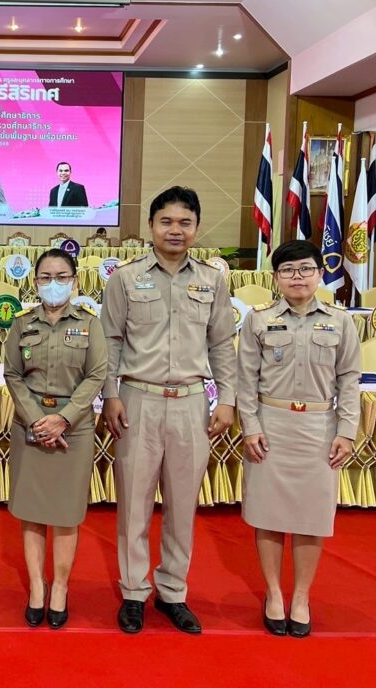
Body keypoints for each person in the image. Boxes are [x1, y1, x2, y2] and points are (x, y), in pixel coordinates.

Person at [100, 185, 236, 635]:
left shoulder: (212, 280)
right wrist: (111, 394)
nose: (175, 230)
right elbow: (110, 340)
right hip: (137, 400)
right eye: (166, 222)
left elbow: (222, 343)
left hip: (192, 403)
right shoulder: (125, 278)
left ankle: (173, 591)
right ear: (151, 226)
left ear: (196, 228)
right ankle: (133, 591)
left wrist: (228, 399)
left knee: (182, 505)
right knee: (134, 505)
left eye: (184, 222)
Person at [237, 240, 359, 638]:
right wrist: (250, 426)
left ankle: (302, 596)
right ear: (276, 278)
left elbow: (349, 380)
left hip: (319, 429)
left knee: (311, 517)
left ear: (320, 274)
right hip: (270, 425)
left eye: (306, 269)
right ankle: (274, 593)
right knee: (268, 515)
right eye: (288, 270)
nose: (298, 277)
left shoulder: (340, 321)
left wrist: (346, 432)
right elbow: (245, 380)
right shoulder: (258, 320)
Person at [3, 249, 106, 629]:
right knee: (31, 511)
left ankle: (60, 586)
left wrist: (62, 419)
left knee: (65, 513)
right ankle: (36, 586)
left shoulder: (90, 324)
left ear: (75, 281)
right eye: (45, 277)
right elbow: (13, 374)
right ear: (35, 282)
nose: (53, 284)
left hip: (73, 428)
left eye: (62, 277)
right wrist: (36, 421)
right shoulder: (22, 324)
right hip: (29, 426)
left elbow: (97, 375)